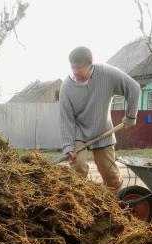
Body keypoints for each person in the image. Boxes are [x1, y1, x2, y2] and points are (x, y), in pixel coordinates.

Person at [59, 46, 140, 191]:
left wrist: (130, 116)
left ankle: (113, 204)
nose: (77, 77)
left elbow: (134, 87)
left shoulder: (106, 73)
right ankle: (78, 203)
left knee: (111, 177)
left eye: (82, 75)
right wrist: (68, 146)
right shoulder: (66, 87)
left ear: (91, 65)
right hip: (78, 131)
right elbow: (66, 119)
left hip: (102, 129)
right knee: (78, 167)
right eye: (74, 71)